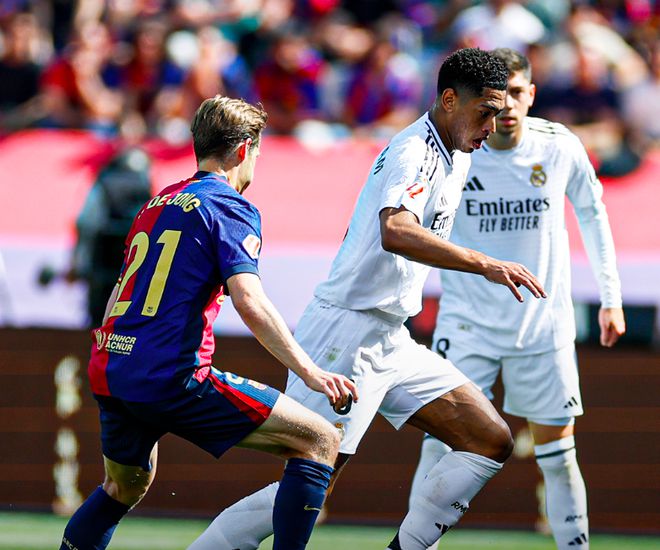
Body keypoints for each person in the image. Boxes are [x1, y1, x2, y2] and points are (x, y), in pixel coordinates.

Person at [188, 47, 547, 550]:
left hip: (390, 334)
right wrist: (485, 263)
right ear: (449, 100)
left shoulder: (459, 152)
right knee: (313, 482)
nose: (493, 124)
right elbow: (396, 230)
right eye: (485, 111)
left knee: (489, 440)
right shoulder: (414, 151)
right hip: (345, 333)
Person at [58, 95, 358, 550]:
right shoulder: (230, 206)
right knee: (319, 440)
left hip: (112, 365)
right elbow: (249, 300)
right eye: (257, 153)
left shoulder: (157, 202)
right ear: (243, 150)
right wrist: (310, 372)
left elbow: (122, 290)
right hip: (171, 374)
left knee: (122, 487)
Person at [408, 48, 626, 550]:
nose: (506, 106)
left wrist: (610, 297)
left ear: (532, 95)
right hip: (467, 325)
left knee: (560, 456)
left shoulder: (559, 146)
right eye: (497, 96)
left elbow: (593, 215)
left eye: (517, 93)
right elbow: (411, 226)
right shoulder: (455, 148)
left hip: (542, 326)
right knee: (438, 446)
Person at [67, 147, 153, 327]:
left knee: (97, 324)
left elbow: (86, 223)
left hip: (101, 268)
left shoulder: (104, 184)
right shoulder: (145, 187)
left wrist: (78, 263)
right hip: (133, 271)